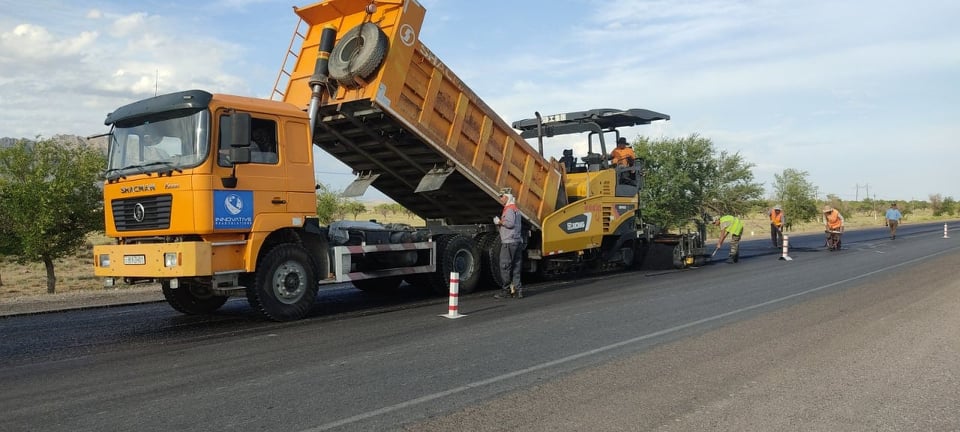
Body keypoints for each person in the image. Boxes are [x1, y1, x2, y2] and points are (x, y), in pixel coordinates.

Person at [493, 191, 523, 299]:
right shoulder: (515, 209)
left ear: (508, 197)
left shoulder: (509, 209)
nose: (501, 199)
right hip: (516, 241)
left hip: (508, 242)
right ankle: (518, 291)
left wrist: (499, 222)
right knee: (516, 267)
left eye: (502, 197)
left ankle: (506, 291)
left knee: (505, 266)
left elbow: (510, 224)